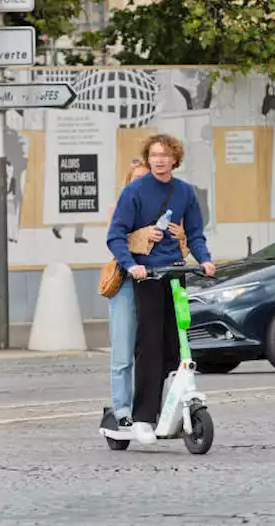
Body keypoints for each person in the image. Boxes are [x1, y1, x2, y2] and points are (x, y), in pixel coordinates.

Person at [108, 134, 215, 444]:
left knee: (176, 345)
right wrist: (132, 265)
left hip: (175, 274)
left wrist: (205, 260)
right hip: (148, 277)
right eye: (154, 155)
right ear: (148, 158)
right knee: (149, 344)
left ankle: (172, 406)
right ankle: (142, 416)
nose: (159, 160)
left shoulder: (184, 192)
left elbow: (195, 233)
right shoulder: (134, 192)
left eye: (165, 155)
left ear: (174, 160)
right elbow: (116, 235)